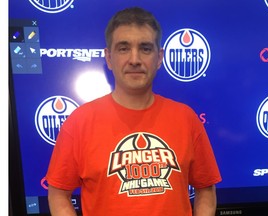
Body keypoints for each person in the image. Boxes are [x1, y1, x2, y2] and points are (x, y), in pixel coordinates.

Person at [46, 6, 222, 216]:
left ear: (159, 58)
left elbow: (206, 189)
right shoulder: (79, 122)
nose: (135, 59)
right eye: (123, 48)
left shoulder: (186, 118)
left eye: (145, 48)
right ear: (109, 58)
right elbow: (58, 194)